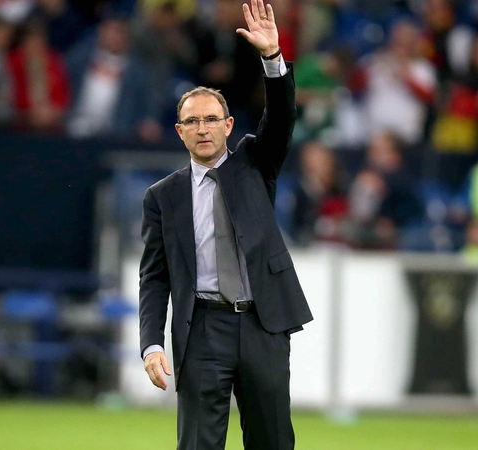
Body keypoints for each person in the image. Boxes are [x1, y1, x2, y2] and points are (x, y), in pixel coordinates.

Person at [138, 2, 312, 449]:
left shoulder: (256, 161)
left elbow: (283, 118)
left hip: (262, 323)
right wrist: (151, 343)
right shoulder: (162, 196)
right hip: (202, 329)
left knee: (272, 440)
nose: (202, 128)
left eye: (211, 119)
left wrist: (272, 59)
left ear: (229, 125)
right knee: (198, 443)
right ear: (179, 131)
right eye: (192, 121)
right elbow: (154, 277)